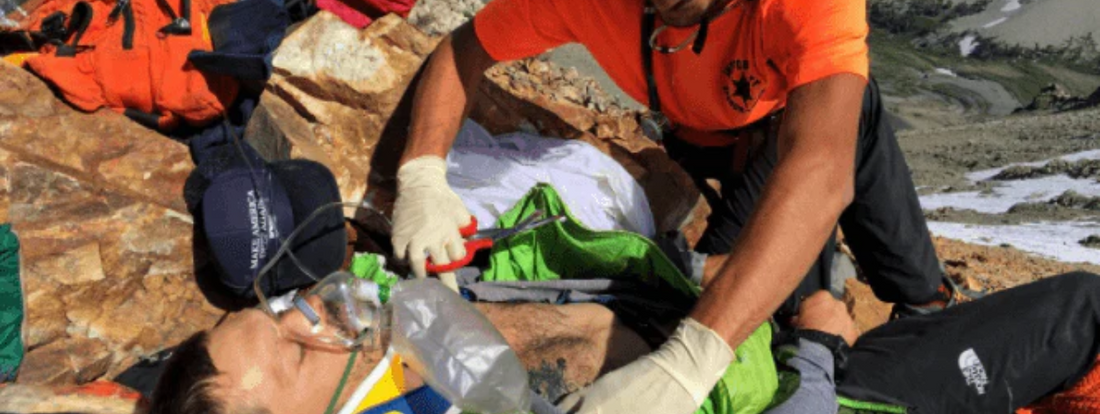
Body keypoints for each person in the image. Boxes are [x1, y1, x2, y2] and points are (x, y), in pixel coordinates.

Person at [389, 0, 959, 410]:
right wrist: (422, 174)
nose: (660, 1)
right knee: (736, 291)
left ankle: (924, 304)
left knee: (758, 289)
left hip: (783, 129)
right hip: (691, 133)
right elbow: (464, 49)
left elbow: (820, 168)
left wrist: (692, 360)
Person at [146, 271, 1100, 414]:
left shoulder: (390, 364)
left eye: (277, 308)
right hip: (806, 395)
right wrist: (818, 353)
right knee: (1089, 310)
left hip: (730, 340)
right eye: (292, 346)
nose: (309, 317)